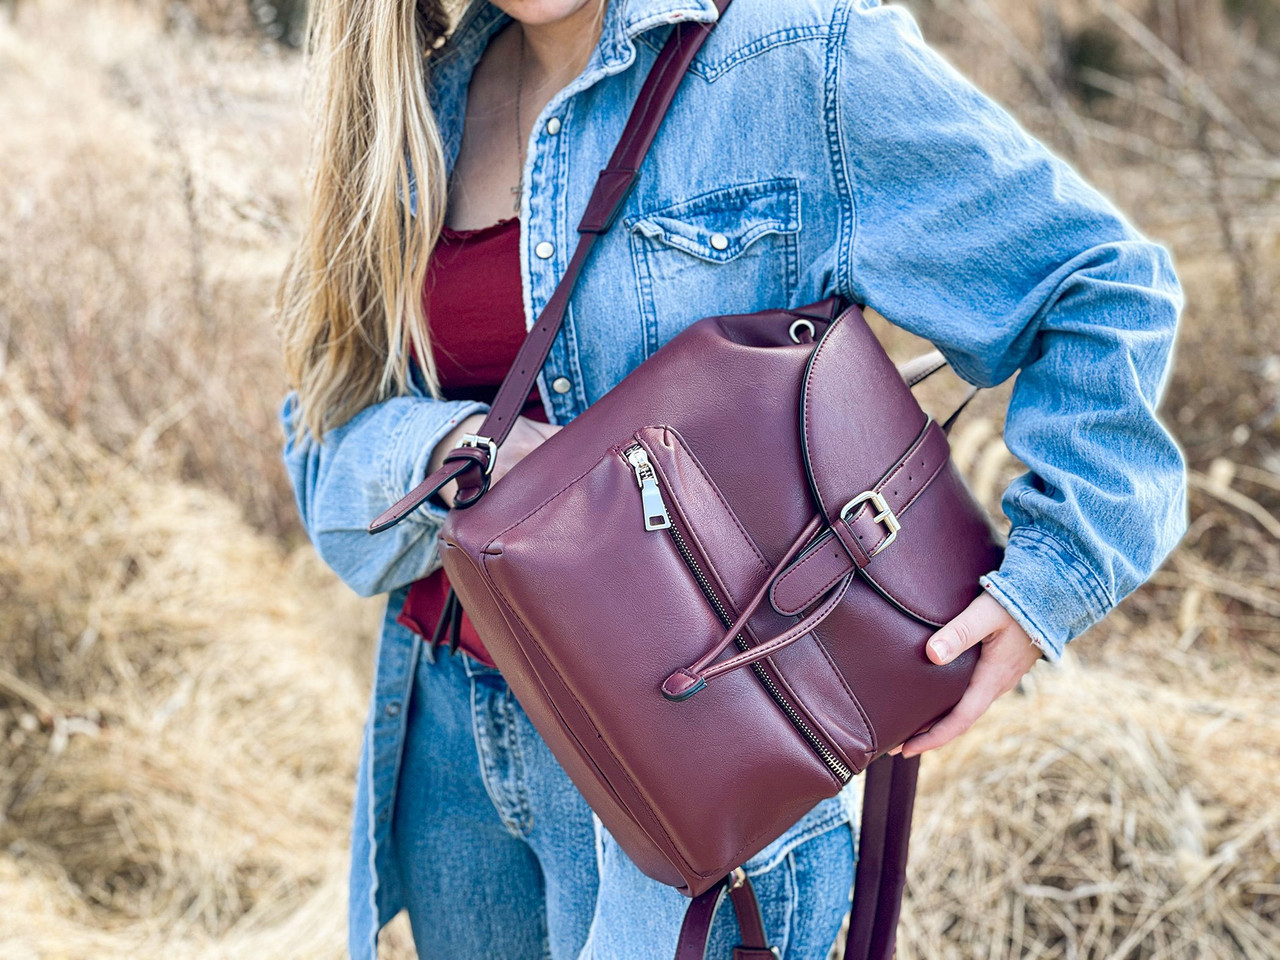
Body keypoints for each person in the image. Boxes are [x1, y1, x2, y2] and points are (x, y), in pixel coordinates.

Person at [275, 0, 1188, 957]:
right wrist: (465, 451)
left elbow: (1099, 286)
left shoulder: (797, 55)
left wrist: (1052, 578)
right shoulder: (414, 108)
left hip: (690, 782)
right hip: (447, 732)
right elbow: (325, 459)